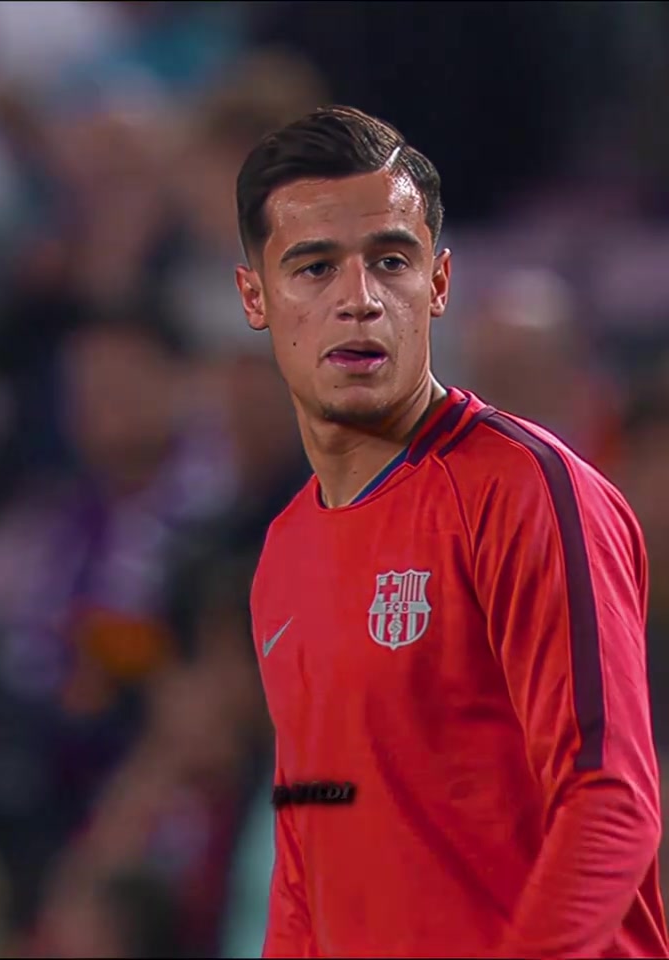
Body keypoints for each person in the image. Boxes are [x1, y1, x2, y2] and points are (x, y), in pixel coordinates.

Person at [234, 105, 669, 959]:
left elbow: (610, 800)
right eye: (315, 268)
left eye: (390, 261)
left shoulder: (528, 491)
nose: (359, 300)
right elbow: (307, 859)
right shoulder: (284, 551)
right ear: (256, 297)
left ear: (437, 284)